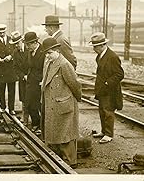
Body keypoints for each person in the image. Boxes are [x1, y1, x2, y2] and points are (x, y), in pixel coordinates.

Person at [40, 37, 81, 168]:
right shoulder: (49, 62)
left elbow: (75, 84)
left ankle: (70, 161)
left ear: (57, 50)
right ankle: (58, 159)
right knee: (55, 132)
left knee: (66, 134)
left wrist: (74, 99)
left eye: (50, 53)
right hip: (52, 103)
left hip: (63, 104)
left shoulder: (64, 64)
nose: (47, 56)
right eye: (46, 53)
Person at [89, 32, 124, 144]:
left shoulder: (112, 57)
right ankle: (104, 131)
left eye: (95, 46)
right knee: (102, 111)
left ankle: (109, 134)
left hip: (110, 90)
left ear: (102, 45)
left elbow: (119, 74)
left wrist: (107, 83)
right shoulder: (100, 56)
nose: (94, 49)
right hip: (103, 90)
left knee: (108, 111)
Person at [0, 24, 17, 115]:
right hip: (1, 69)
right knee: (1, 90)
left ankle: (11, 109)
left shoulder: (11, 40)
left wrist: (11, 56)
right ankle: (2, 107)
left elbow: (16, 50)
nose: (2, 34)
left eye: (3, 32)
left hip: (11, 70)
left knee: (12, 91)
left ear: (5, 31)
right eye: (0, 33)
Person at [24, 32, 44, 132]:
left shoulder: (43, 51)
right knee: (31, 104)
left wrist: (42, 80)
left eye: (28, 44)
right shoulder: (30, 51)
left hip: (40, 82)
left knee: (40, 105)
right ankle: (36, 123)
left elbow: (46, 68)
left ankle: (43, 126)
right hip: (31, 82)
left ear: (35, 42)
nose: (27, 47)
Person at [10, 30, 29, 125]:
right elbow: (15, 67)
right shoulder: (15, 52)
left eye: (17, 43)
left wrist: (28, 75)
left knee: (34, 99)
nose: (16, 45)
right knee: (24, 99)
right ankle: (25, 118)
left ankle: (36, 120)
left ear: (21, 41)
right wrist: (22, 76)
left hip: (32, 78)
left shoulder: (28, 49)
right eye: (14, 44)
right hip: (23, 79)